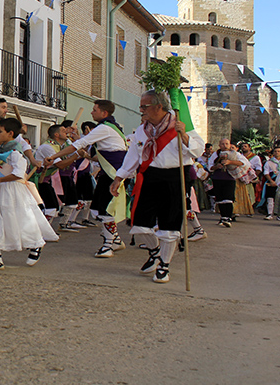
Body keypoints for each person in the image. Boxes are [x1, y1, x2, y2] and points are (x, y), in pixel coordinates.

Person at [110, 91, 204, 283]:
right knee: (140, 224)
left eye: (144, 106)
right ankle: (154, 253)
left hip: (175, 177)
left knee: (169, 225)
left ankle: (164, 265)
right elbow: (133, 157)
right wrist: (119, 177)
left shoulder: (178, 125)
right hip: (149, 177)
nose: (141, 110)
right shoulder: (141, 130)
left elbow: (198, 150)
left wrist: (184, 136)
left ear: (159, 107)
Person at [45, 100, 129, 258]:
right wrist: (76, 138)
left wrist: (54, 156)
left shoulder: (104, 128)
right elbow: (89, 151)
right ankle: (115, 240)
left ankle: (109, 244)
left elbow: (79, 145)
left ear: (104, 113)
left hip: (113, 174)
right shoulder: (110, 128)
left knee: (105, 209)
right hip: (109, 173)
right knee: (97, 209)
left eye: (94, 110)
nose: (92, 112)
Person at [0, 118, 49, 269]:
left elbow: (18, 174)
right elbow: (1, 172)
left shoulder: (16, 152)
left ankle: (35, 243)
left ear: (10, 133)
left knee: (20, 219)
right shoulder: (2, 150)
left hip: (12, 191)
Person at [34, 125, 78, 231]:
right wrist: (76, 156)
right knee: (50, 207)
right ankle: (41, 231)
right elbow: (61, 165)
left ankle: (44, 231)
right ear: (56, 135)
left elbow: (73, 148)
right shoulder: (48, 147)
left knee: (53, 207)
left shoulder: (59, 146)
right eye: (64, 131)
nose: (66, 132)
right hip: (39, 180)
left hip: (46, 179)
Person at [208, 138, 245, 228]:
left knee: (228, 198)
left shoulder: (235, 154)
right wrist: (217, 167)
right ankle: (223, 217)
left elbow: (244, 163)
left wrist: (230, 162)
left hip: (229, 178)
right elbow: (210, 167)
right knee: (220, 199)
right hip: (218, 178)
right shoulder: (215, 154)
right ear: (219, 145)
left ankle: (228, 217)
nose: (225, 145)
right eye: (223, 144)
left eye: (227, 144)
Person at [261, 146, 280, 220]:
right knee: (270, 198)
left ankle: (279, 214)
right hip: (272, 180)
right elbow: (266, 172)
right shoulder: (269, 162)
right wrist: (271, 181)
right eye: (275, 151)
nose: (277, 153)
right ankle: (270, 213)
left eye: (278, 151)